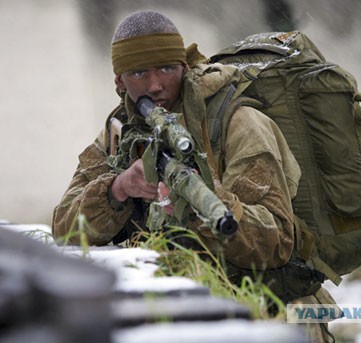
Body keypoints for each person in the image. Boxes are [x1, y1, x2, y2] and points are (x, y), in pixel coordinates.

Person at [52, 10, 337, 341]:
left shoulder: (238, 123)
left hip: (270, 310)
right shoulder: (119, 132)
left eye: (167, 69)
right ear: (119, 80)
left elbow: (276, 242)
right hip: (179, 311)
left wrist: (200, 206)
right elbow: (65, 230)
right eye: (140, 72)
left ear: (184, 68)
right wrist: (118, 189)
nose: (155, 84)